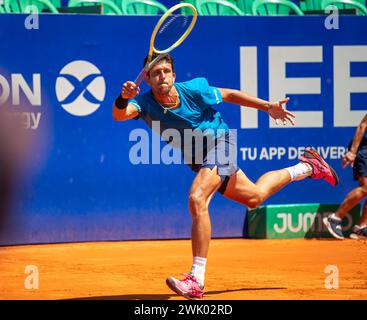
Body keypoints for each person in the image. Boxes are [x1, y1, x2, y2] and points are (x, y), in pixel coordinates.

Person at [112, 54, 339, 300]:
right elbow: (119, 115)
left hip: (221, 143)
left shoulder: (194, 89)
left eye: (166, 71)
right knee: (255, 197)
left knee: (197, 198)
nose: (162, 76)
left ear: (174, 75)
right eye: (156, 73)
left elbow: (229, 95)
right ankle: (307, 167)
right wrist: (123, 98)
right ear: (146, 78)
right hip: (200, 159)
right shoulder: (144, 103)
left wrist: (267, 107)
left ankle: (196, 279)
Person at [323, 114, 367, 240]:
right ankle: (335, 218)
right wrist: (352, 152)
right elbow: (363, 124)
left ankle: (361, 228)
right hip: (364, 149)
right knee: (365, 187)